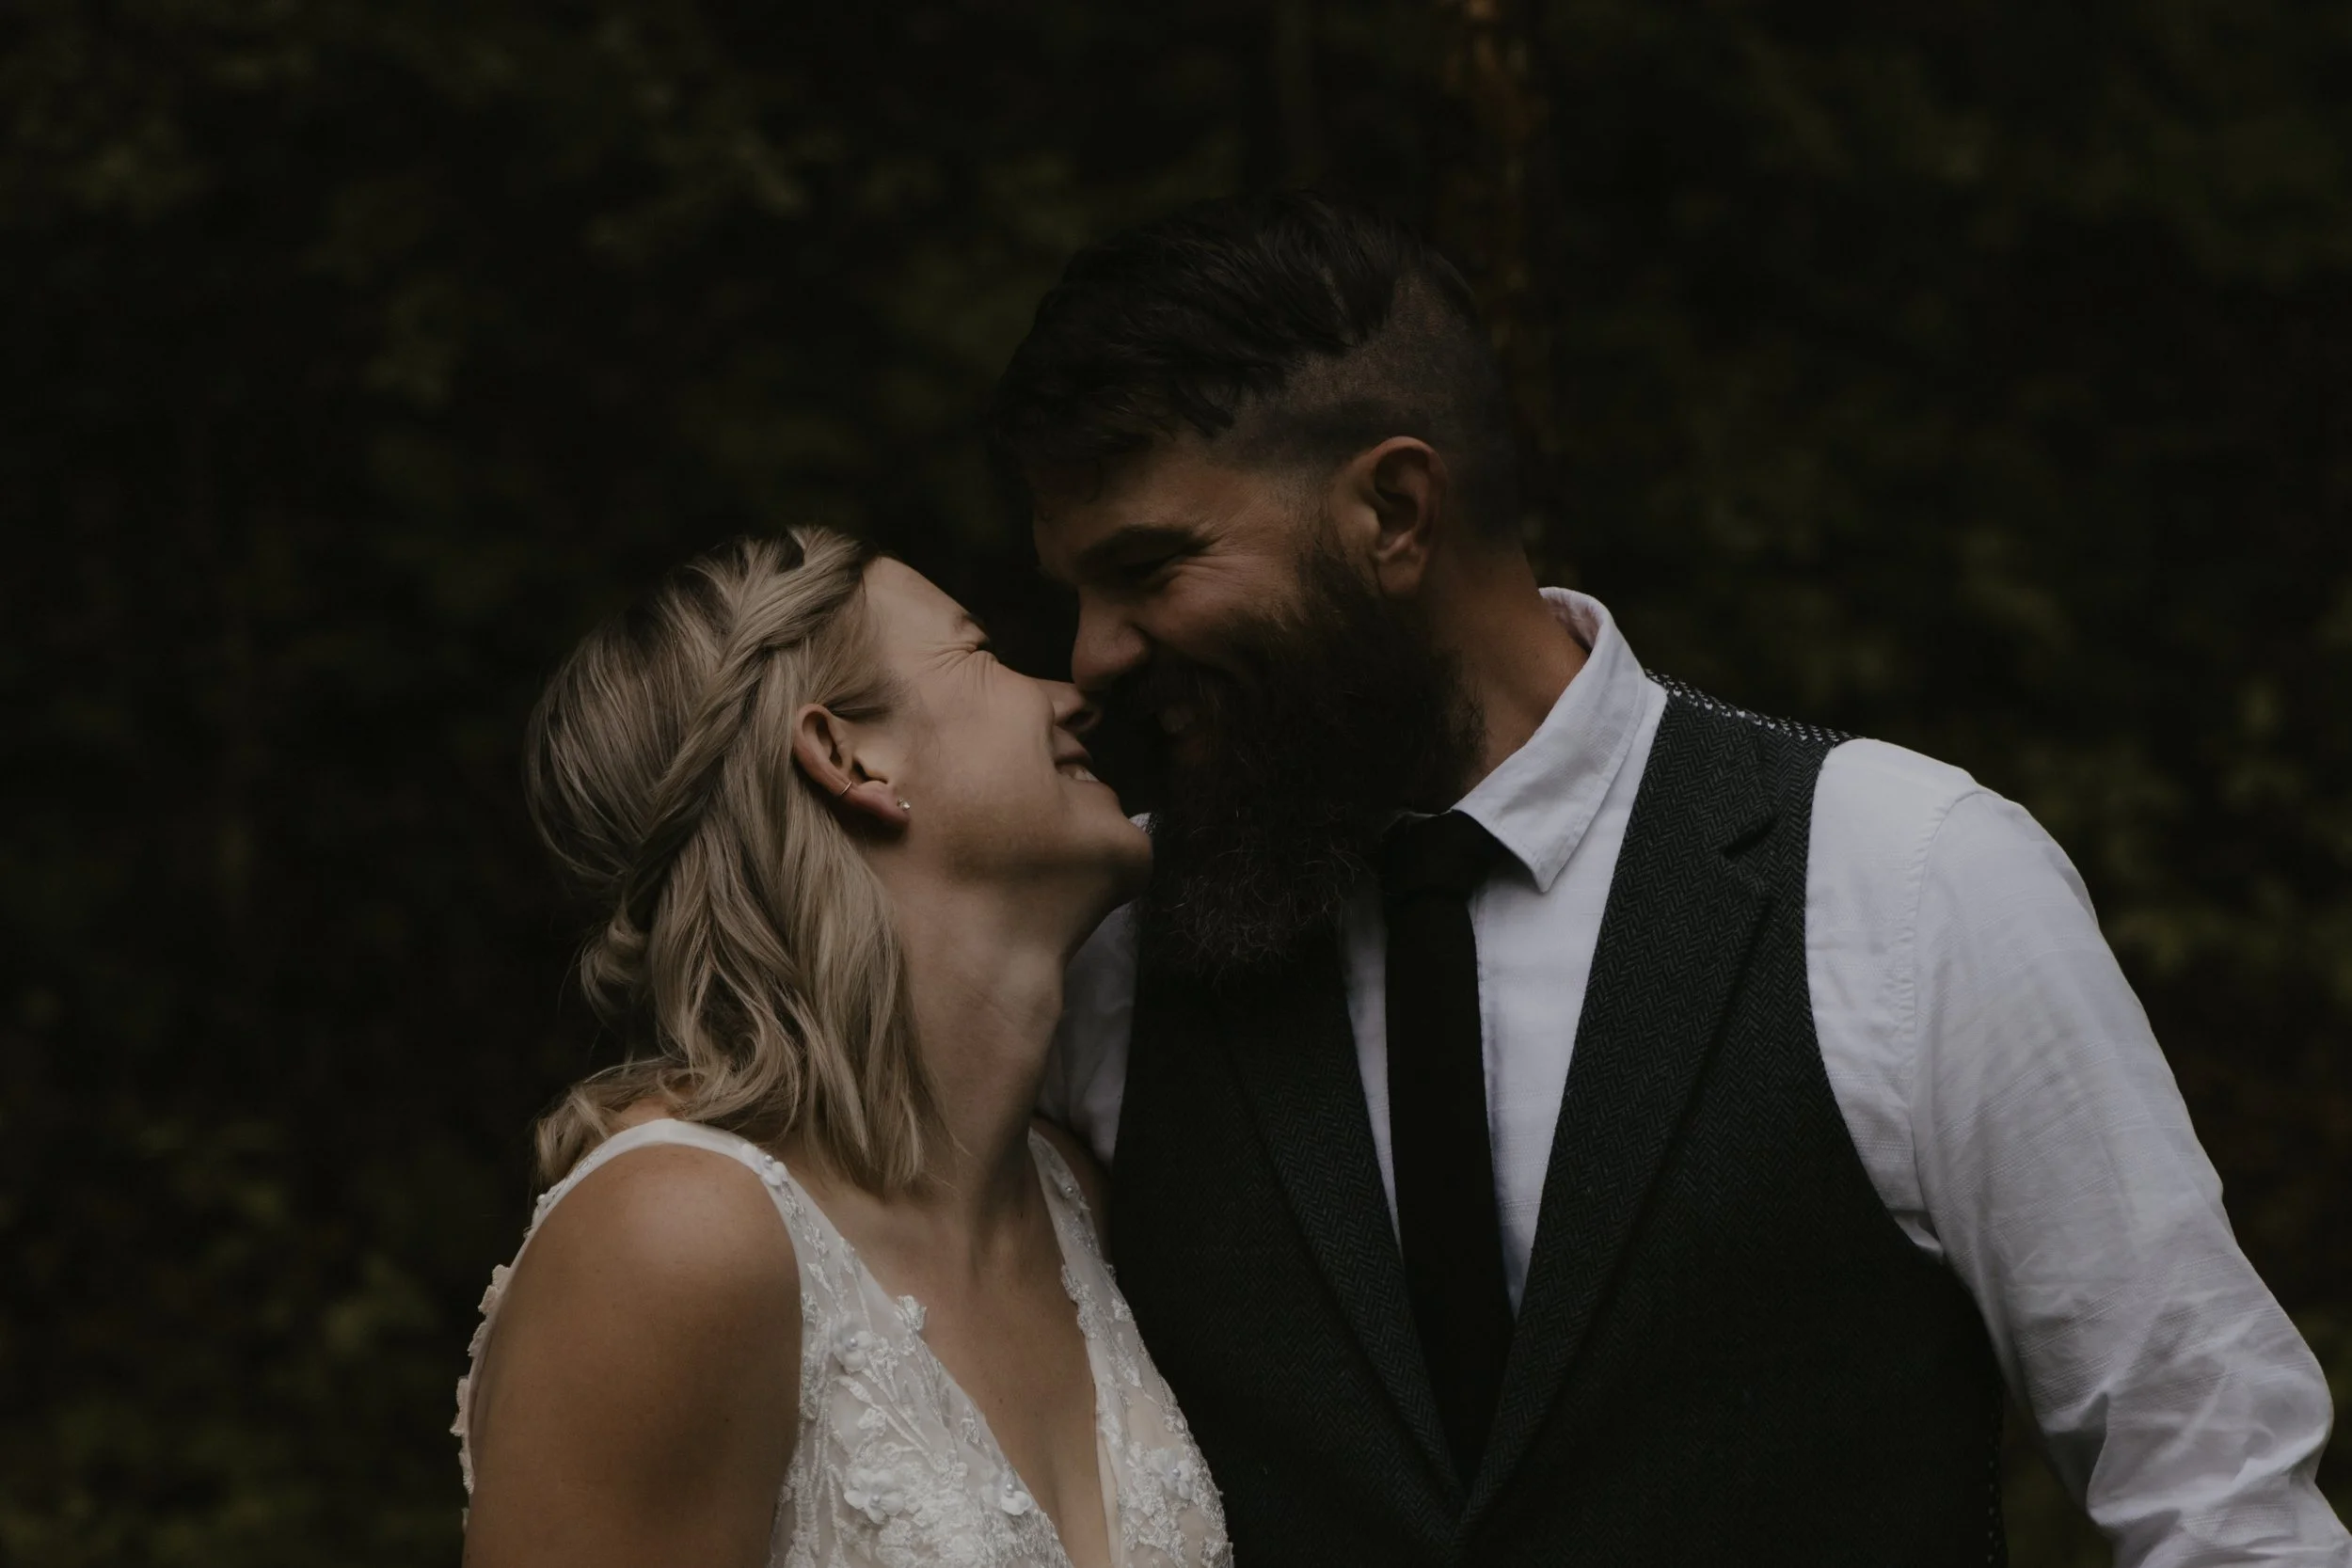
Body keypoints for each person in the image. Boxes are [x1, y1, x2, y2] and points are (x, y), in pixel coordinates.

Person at [992, 193, 2352, 1565]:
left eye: (1149, 568)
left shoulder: (1911, 875)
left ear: (1394, 512)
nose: (1096, 655)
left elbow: (2217, 1490)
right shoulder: (1107, 950)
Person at [453, 530, 1230, 1568]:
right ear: (845, 753)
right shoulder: (678, 1241)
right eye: (981, 652)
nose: (1070, 692)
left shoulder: (1067, 1198)